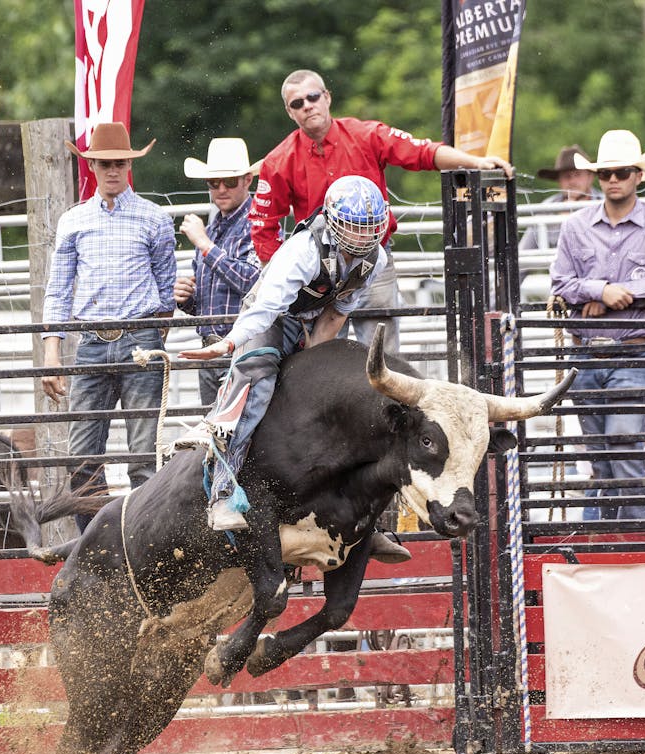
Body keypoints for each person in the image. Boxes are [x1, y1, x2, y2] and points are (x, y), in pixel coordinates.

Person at [179, 175, 391, 532]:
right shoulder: (303, 251)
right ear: (336, 224)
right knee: (257, 383)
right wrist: (229, 343)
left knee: (339, 391)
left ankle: (356, 515)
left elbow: (337, 312)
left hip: (315, 323)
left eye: (369, 229)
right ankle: (222, 491)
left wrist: (316, 366)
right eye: (354, 229)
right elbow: (265, 309)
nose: (362, 238)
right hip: (274, 316)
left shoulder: (375, 260)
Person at [248, 68, 513, 353]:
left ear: (327, 97)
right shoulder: (279, 160)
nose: (307, 105)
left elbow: (422, 152)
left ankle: (382, 398)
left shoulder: (366, 135)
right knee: (319, 358)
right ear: (290, 112)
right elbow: (263, 224)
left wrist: (475, 162)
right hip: (319, 272)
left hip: (373, 260)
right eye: (297, 103)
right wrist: (284, 275)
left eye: (312, 96)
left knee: (383, 351)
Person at [41, 122, 177, 530]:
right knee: (83, 457)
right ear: (93, 167)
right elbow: (58, 289)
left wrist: (155, 334)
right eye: (105, 164)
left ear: (128, 165)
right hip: (93, 341)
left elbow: (166, 290)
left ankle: (142, 546)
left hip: (139, 337)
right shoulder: (74, 221)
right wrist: (52, 349)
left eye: (119, 163)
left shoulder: (154, 219)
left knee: (142, 457)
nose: (112, 170)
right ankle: (96, 551)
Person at [550, 129, 645, 521]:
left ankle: (632, 541)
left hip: (631, 350)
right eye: (606, 174)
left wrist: (613, 294)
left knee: (623, 443)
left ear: (637, 175)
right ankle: (611, 542)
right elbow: (560, 284)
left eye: (621, 172)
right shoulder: (575, 226)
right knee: (600, 454)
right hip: (586, 353)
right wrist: (600, 289)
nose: (613, 180)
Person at [175, 138, 263, 405]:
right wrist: (187, 298)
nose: (221, 189)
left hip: (243, 350)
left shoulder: (259, 223)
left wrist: (204, 245)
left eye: (230, 182)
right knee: (212, 434)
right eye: (214, 183)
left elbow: (254, 283)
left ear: (247, 180)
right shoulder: (212, 229)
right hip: (210, 351)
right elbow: (206, 303)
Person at [519, 144, 600, 257]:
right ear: (559, 180)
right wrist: (561, 222)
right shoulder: (546, 209)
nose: (572, 181)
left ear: (590, 176)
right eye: (567, 176)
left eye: (578, 174)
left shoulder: (605, 203)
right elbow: (523, 254)